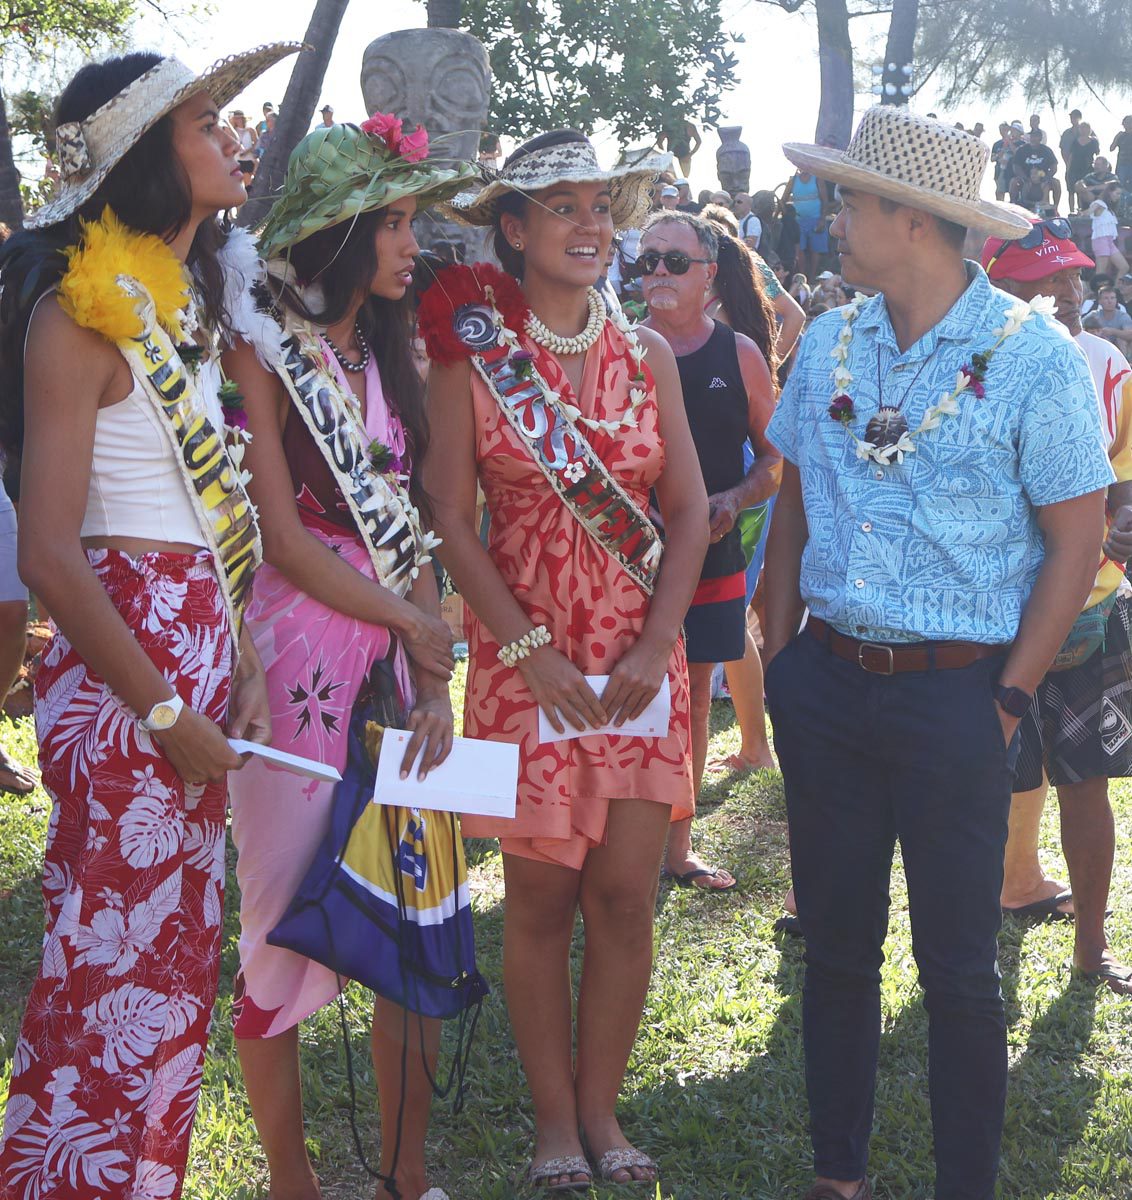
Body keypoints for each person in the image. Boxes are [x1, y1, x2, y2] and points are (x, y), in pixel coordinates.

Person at [763, 107, 1111, 1200]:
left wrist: (1007, 696)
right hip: (826, 686)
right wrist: (780, 659)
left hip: (960, 694)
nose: (830, 219)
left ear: (911, 221)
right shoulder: (827, 339)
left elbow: (1077, 536)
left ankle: (965, 1184)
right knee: (834, 951)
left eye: (848, 201)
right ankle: (839, 1176)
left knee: (959, 969)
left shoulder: (1031, 356)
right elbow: (790, 505)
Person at [0, 42, 295, 1199]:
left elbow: (200, 521)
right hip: (129, 678)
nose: (230, 137)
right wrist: (165, 705)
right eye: (203, 123)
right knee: (104, 967)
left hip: (191, 659)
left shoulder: (176, 311)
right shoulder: (76, 320)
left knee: (171, 968)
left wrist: (245, 666)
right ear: (142, 162)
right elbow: (52, 554)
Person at [421, 130, 708, 1190]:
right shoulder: (472, 354)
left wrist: (657, 642)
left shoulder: (651, 357)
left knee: (626, 894)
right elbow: (450, 517)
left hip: (638, 663)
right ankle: (552, 1125)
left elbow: (685, 515)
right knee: (539, 900)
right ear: (513, 229)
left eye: (601, 209)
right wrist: (529, 649)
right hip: (523, 663)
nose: (590, 227)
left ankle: (603, 1113)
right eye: (561, 209)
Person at [221, 114, 477, 1200]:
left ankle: (404, 1178)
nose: (412, 245)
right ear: (341, 231)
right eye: (398, 222)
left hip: (395, 663)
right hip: (293, 669)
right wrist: (414, 625)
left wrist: (432, 675)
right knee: (277, 925)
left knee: (414, 920)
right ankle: (293, 1183)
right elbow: (280, 537)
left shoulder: (389, 350)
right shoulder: (259, 344)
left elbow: (411, 524)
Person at [982, 220, 1132, 994]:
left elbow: (1126, 485)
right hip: (990, 617)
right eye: (1046, 280)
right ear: (999, 287)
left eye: (1072, 277)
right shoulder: (975, 366)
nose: (1068, 293)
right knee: (977, 783)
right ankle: (971, 944)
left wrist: (1104, 558)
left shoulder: (1106, 361)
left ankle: (1091, 947)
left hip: (1087, 615)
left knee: (1087, 784)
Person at [637, 211, 779, 892]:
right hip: (625, 558)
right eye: (647, 261)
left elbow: (777, 460)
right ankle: (610, 840)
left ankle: (676, 849)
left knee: (691, 701)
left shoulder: (740, 355)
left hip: (713, 556)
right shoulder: (616, 350)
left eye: (674, 261)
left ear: (709, 275)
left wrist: (734, 499)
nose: (658, 273)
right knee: (624, 694)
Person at [782, 165, 828, 280]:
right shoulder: (793, 180)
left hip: (816, 218)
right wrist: (786, 216)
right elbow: (783, 200)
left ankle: (812, 276)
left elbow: (825, 200)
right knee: (799, 249)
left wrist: (822, 219)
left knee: (815, 249)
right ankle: (803, 277)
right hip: (798, 220)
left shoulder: (817, 178)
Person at [1011, 128, 1061, 210]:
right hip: (1026, 177)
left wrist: (1047, 177)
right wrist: (1025, 178)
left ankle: (1055, 208)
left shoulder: (1046, 150)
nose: (1033, 138)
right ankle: (1013, 205)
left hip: (1042, 177)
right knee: (1014, 182)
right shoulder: (1022, 150)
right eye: (1032, 136)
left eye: (1035, 136)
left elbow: (1054, 166)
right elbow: (1016, 166)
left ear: (1040, 138)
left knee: (1056, 183)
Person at [1086, 281, 1132, 352]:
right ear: (1100, 301)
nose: (1110, 301)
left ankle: (1124, 362)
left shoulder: (1123, 316)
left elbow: (1130, 334)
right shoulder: (1094, 315)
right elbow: (1080, 327)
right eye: (1106, 298)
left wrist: (1113, 331)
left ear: (1116, 300)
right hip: (1098, 346)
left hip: (1118, 349)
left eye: (1112, 298)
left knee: (1121, 341)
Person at [1067, 122, 1101, 208]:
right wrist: (1067, 169)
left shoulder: (1094, 141)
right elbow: (1071, 155)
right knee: (1071, 191)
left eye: (1086, 128)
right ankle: (1071, 211)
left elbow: (1097, 155)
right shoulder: (1075, 141)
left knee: (1083, 191)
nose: (1083, 130)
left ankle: (1082, 210)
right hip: (1074, 169)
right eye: (1082, 128)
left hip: (1087, 169)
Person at [228, 108, 257, 185]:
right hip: (237, 160)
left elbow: (256, 144)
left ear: (243, 118)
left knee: (247, 182)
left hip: (248, 159)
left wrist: (246, 151)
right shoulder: (233, 131)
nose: (237, 120)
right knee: (238, 183)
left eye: (239, 118)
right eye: (235, 118)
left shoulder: (251, 130)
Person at [1112, 115, 1132, 191]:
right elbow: (1111, 148)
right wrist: (1116, 138)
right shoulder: (1121, 135)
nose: (1128, 124)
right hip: (1122, 164)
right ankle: (1121, 202)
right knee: (1120, 186)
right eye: (1126, 122)